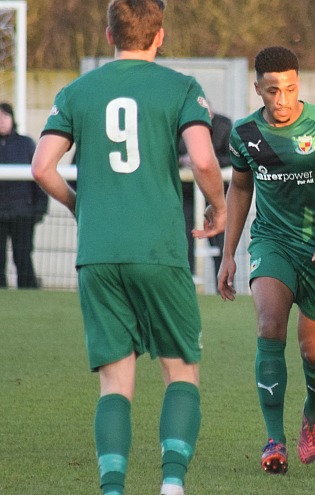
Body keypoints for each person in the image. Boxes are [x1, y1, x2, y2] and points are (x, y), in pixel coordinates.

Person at [30, 2, 227, 495]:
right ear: (159, 35)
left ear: (107, 34)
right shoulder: (179, 87)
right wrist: (218, 206)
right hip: (158, 248)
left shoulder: (77, 92)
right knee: (180, 371)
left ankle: (113, 488)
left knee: (115, 383)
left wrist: (80, 206)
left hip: (98, 251)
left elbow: (41, 167)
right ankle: (172, 485)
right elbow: (204, 159)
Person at [217, 46, 315, 475]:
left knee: (313, 351)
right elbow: (240, 190)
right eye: (272, 90)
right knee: (269, 326)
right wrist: (228, 253)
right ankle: (273, 438)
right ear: (257, 88)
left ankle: (314, 407)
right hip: (272, 242)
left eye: (291, 88)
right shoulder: (244, 133)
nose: (282, 99)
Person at [179, 107, 232, 283]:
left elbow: (228, 157)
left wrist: (210, 161)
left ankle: (224, 284)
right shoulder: (179, 124)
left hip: (216, 194)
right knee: (186, 240)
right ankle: (190, 283)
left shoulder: (223, 126)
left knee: (220, 243)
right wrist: (183, 160)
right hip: (187, 195)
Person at [0, 102, 48, 289]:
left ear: (12, 119)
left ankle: (28, 291)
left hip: (22, 212)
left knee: (23, 255)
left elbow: (39, 175)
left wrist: (39, 208)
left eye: (4, 117)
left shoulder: (26, 143)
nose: (1, 122)